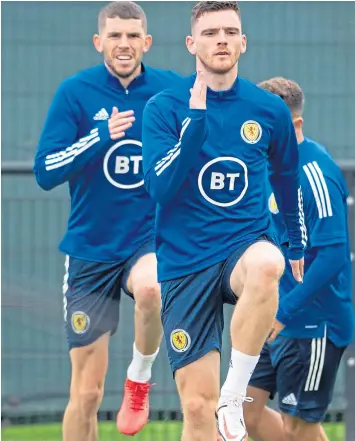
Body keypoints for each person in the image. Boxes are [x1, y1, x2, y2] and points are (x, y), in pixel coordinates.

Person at [141, 2, 305, 441]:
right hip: (185, 261)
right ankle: (215, 405)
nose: (222, 40)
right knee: (196, 408)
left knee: (268, 263)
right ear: (192, 43)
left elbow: (287, 180)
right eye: (211, 32)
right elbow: (159, 188)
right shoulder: (164, 107)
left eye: (231, 32)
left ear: (243, 42)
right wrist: (194, 124)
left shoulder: (267, 109)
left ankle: (234, 395)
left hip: (242, 245)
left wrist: (297, 244)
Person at [33, 2, 183, 440]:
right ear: (99, 41)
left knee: (153, 287)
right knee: (86, 394)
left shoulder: (169, 91)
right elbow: (45, 171)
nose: (124, 44)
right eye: (115, 36)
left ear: (147, 42)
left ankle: (139, 377)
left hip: (146, 242)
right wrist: (100, 136)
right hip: (90, 250)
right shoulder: (75, 92)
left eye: (133, 36)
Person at [244, 77, 354, 441]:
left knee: (297, 427)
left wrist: (282, 312)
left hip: (312, 323)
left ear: (296, 125)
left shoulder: (315, 172)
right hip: (271, 317)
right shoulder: (262, 170)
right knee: (245, 412)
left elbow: (333, 256)